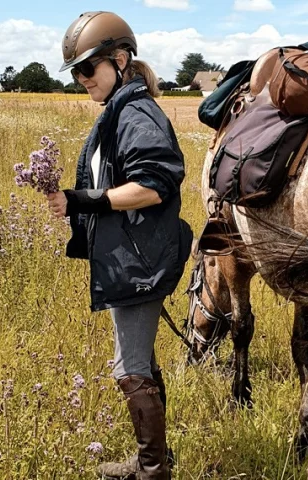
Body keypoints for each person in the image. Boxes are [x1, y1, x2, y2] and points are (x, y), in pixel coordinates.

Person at [47, 11, 193, 480]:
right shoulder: (119, 109)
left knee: (129, 369)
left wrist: (80, 200)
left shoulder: (135, 112)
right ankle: (153, 461)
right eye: (76, 72)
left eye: (88, 68)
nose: (81, 80)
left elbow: (155, 184)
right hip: (127, 256)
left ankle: (152, 472)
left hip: (139, 259)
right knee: (141, 361)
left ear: (121, 59)